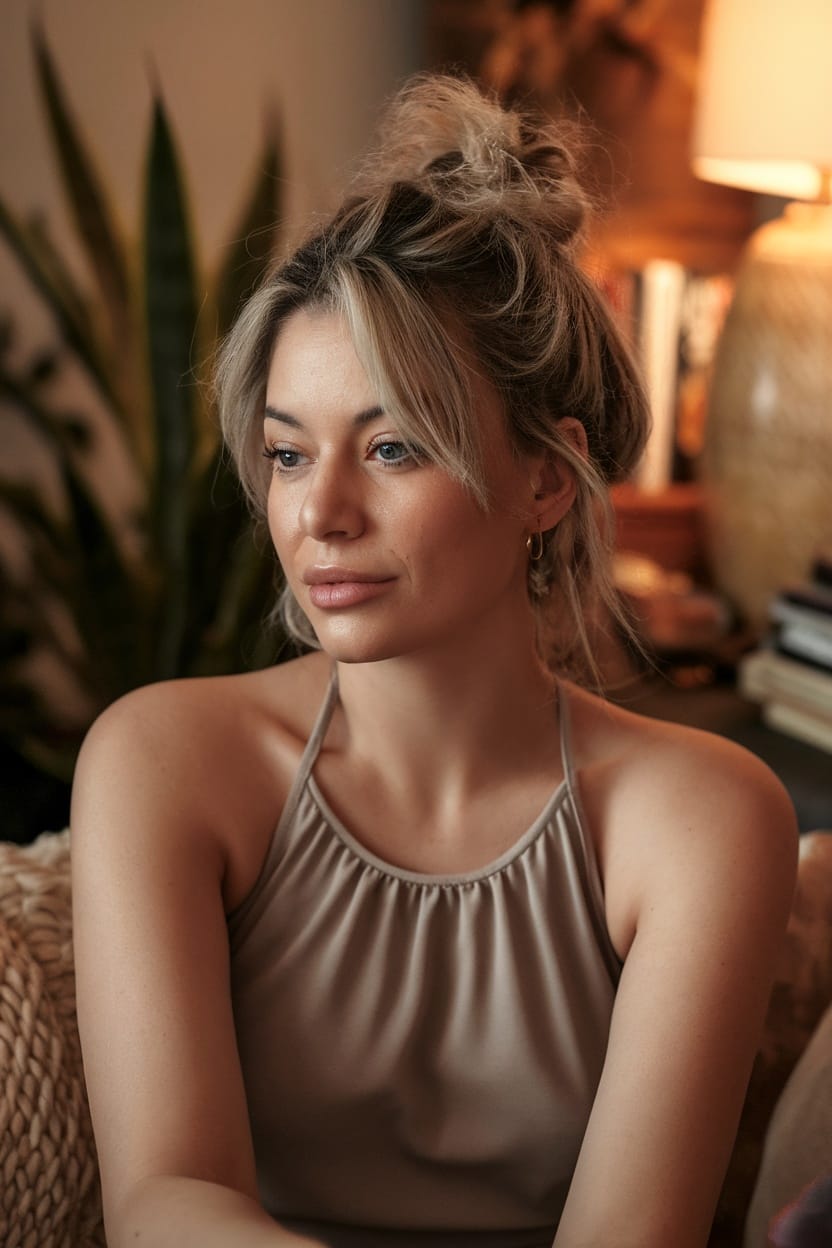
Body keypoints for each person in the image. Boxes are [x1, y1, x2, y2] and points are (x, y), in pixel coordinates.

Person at [70, 74, 798, 1248]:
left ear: (547, 482)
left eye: (393, 446)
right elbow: (163, 1204)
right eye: (289, 454)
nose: (321, 515)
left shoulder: (700, 816)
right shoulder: (165, 759)